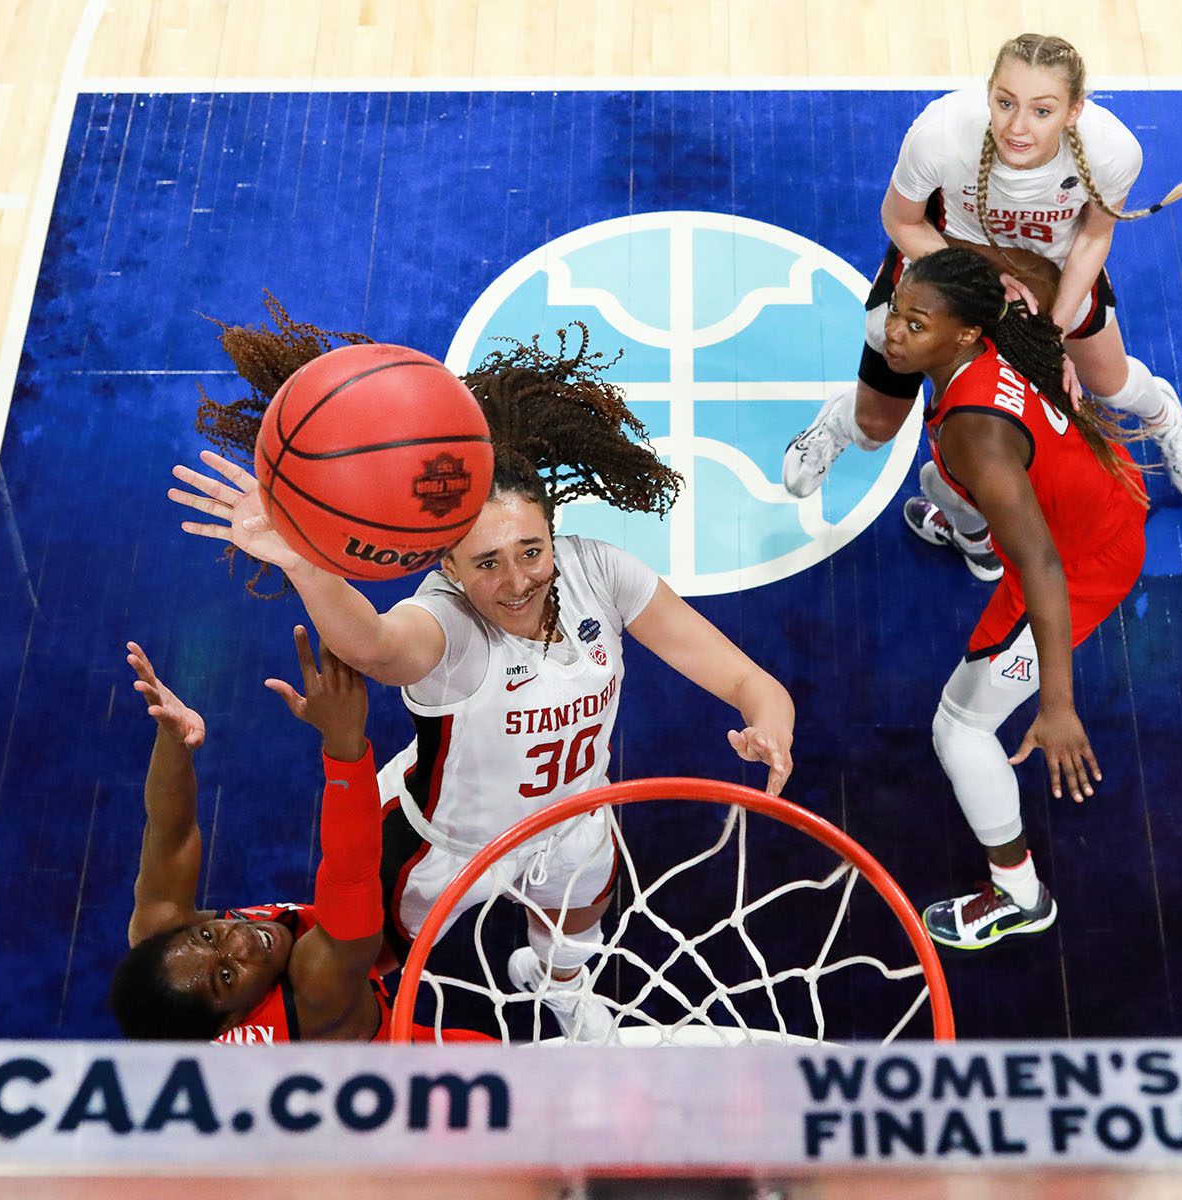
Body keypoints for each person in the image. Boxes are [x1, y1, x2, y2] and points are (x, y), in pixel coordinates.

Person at [171, 304, 797, 1042]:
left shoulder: (605, 571)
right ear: (447, 564)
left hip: (570, 816)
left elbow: (745, 679)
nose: (516, 580)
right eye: (487, 563)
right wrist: (304, 562)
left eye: (532, 550)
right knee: (375, 959)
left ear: (553, 532)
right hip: (442, 843)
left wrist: (769, 724)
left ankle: (559, 988)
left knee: (578, 918)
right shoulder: (449, 626)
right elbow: (372, 646)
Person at [783, 31, 1182, 575]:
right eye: (1005, 102)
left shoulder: (1114, 151)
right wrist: (981, 280)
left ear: (1075, 110)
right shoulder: (940, 134)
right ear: (988, 91)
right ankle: (841, 426)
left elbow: (1092, 240)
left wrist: (1049, 335)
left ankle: (1163, 416)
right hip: (947, 261)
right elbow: (900, 221)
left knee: (1109, 382)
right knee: (876, 427)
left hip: (1050, 274)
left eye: (1042, 110)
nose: (1017, 125)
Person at [879, 247, 1147, 951]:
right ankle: (973, 542)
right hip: (1092, 492)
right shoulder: (989, 341)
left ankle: (1020, 894)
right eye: (897, 314)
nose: (893, 335)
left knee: (960, 730)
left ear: (965, 334)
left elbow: (1045, 569)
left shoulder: (978, 434)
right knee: (941, 479)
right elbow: (1015, 272)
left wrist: (1056, 706)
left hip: (1082, 560)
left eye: (915, 324)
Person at [110, 626, 488, 1042]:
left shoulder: (165, 951)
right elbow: (351, 877)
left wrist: (172, 741)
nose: (238, 942)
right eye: (226, 974)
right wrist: (344, 742)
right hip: (390, 1068)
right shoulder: (316, 991)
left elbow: (171, 832)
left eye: (208, 935)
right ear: (230, 1025)